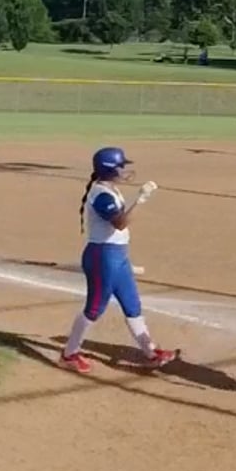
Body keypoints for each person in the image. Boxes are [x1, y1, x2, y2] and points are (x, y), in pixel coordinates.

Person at [59, 146, 178, 373]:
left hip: (117, 256)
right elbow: (120, 223)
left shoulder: (109, 189)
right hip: (103, 257)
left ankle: (151, 352)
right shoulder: (102, 195)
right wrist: (140, 199)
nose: (124, 170)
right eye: (121, 166)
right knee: (94, 308)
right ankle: (69, 354)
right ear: (110, 169)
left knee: (132, 305)